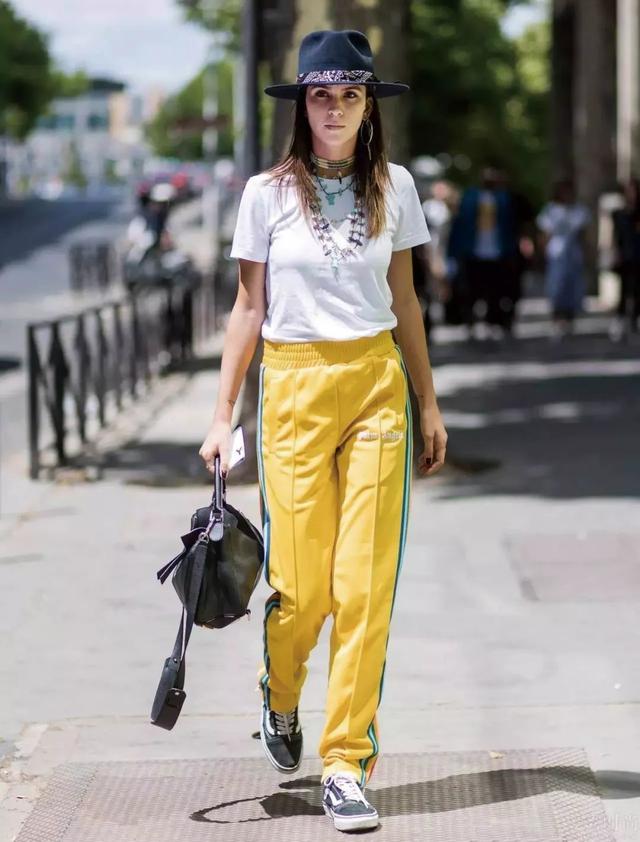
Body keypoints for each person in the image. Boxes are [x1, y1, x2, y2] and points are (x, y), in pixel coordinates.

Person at [198, 29, 447, 833]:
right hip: (295, 387)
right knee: (304, 590)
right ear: (301, 106)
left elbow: (405, 302)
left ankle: (346, 762)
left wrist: (427, 401)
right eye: (320, 95)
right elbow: (248, 308)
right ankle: (280, 693)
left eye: (349, 95)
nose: (335, 109)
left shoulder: (396, 187)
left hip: (376, 385)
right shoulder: (265, 194)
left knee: (365, 588)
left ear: (369, 105)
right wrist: (222, 414)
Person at [447, 166, 519, 337]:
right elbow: (460, 225)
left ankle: (493, 321)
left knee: (496, 290)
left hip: (497, 253)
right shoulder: (471, 198)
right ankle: (470, 321)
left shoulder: (503, 199)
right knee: (471, 289)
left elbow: (510, 226)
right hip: (474, 252)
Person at [536, 179, 590, 338]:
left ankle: (569, 317)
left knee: (572, 286)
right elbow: (545, 234)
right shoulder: (551, 210)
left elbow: (583, 234)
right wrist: (541, 252)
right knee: (557, 285)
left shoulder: (579, 210)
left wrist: (587, 252)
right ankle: (557, 317)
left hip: (573, 253)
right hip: (557, 253)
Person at [610, 177, 640, 339]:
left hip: (638, 254)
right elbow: (615, 237)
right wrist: (614, 253)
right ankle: (620, 320)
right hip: (625, 256)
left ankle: (635, 320)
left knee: (637, 290)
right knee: (623, 290)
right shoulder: (618, 214)